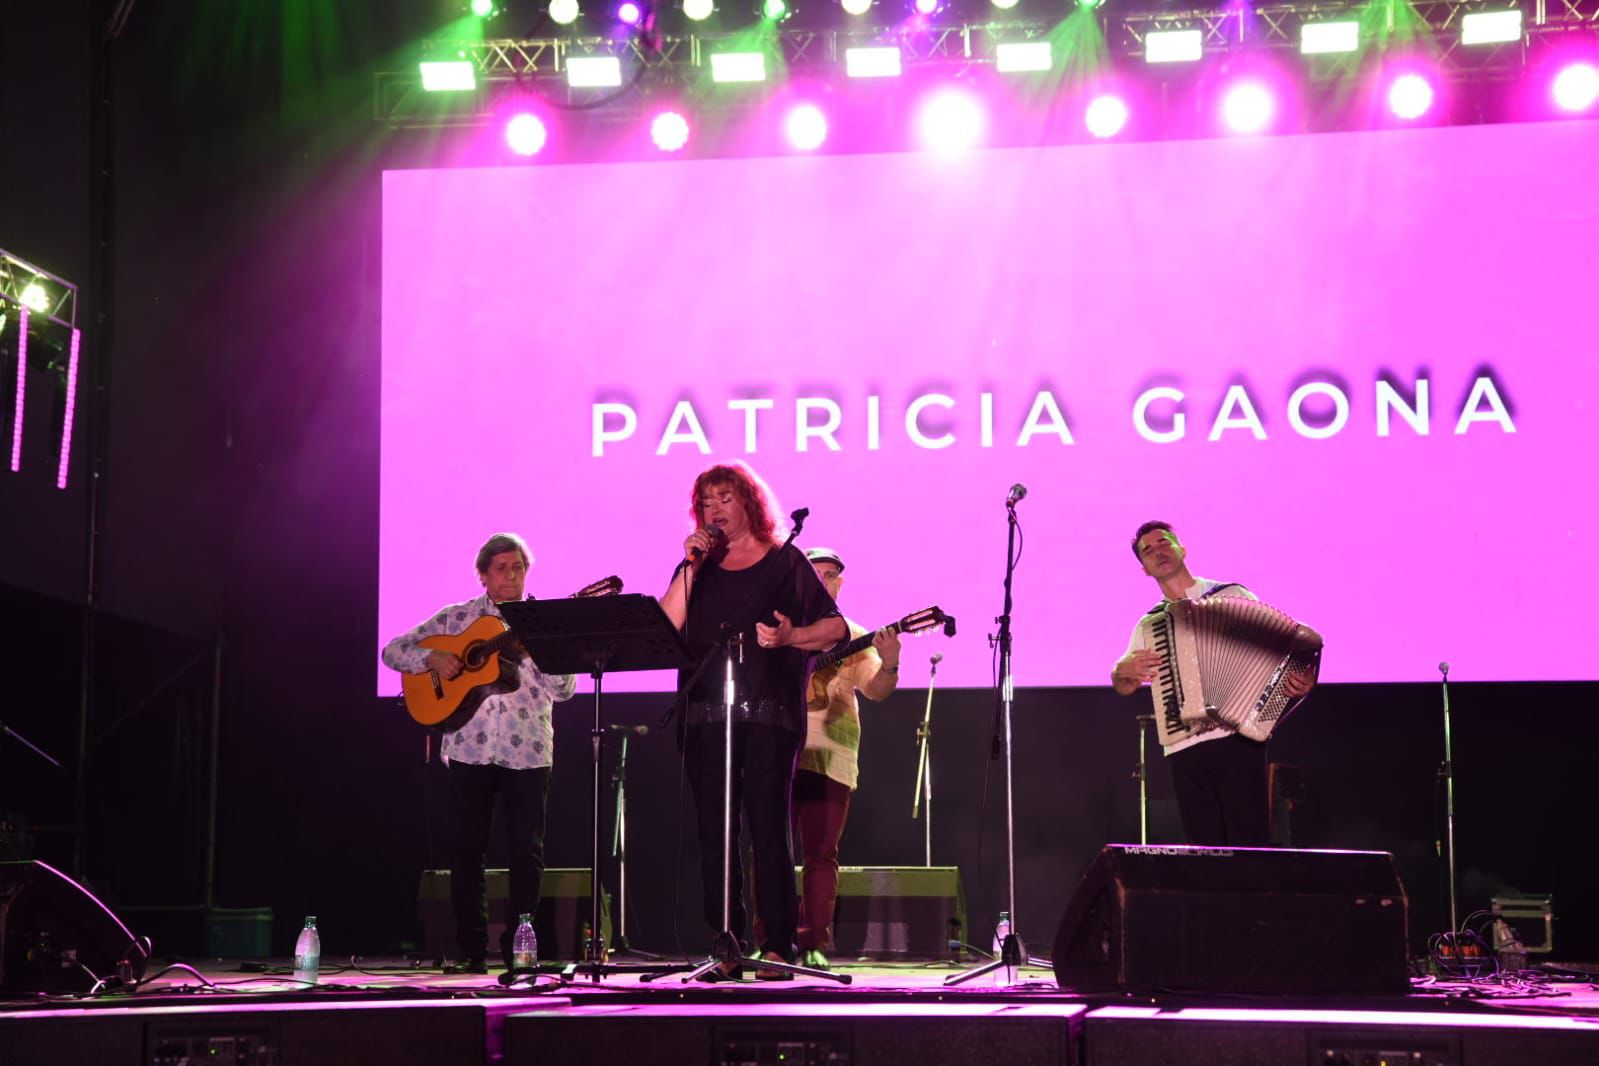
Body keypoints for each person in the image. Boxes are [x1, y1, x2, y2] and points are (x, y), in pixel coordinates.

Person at [659, 461, 847, 979]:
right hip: (705, 717)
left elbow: (835, 627)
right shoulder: (698, 566)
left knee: (766, 828)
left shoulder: (785, 561)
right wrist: (690, 566)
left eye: (725, 498)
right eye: (706, 502)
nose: (715, 509)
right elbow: (666, 627)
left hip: (768, 714)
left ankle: (779, 946)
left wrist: (791, 638)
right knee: (714, 833)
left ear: (749, 503)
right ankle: (727, 944)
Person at [382, 533, 576, 973]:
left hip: (527, 751)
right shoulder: (458, 619)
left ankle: (520, 950)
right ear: (485, 575)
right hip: (468, 747)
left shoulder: (540, 621)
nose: (512, 575)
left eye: (519, 567)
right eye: (502, 568)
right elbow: (392, 650)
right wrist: (432, 661)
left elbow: (565, 690)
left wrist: (536, 656)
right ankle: (472, 949)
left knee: (526, 851)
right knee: (466, 851)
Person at [1110, 521, 1313, 847]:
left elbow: (1277, 652)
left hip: (1239, 737)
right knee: (1205, 850)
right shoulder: (1150, 625)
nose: (1157, 551)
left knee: (1250, 846)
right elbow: (1123, 685)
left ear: (1181, 549)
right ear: (1145, 570)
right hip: (1183, 745)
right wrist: (1122, 670)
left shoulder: (1232, 596)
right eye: (1147, 551)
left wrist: (1298, 679)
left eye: (1163, 542)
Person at [786, 546, 901, 970]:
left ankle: (813, 943)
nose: (824, 581)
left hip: (830, 756)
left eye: (831, 575)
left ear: (840, 582)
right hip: (779, 754)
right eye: (815, 574)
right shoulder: (778, 630)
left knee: (820, 853)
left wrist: (889, 665)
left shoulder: (852, 634)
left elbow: (875, 688)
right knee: (768, 852)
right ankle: (773, 943)